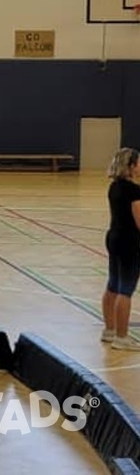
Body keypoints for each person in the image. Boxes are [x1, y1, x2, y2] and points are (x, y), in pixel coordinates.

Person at [102, 148, 140, 350]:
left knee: (113, 285)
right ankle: (122, 337)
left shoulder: (114, 187)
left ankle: (109, 330)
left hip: (114, 237)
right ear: (132, 166)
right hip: (129, 242)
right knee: (126, 289)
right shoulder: (133, 191)